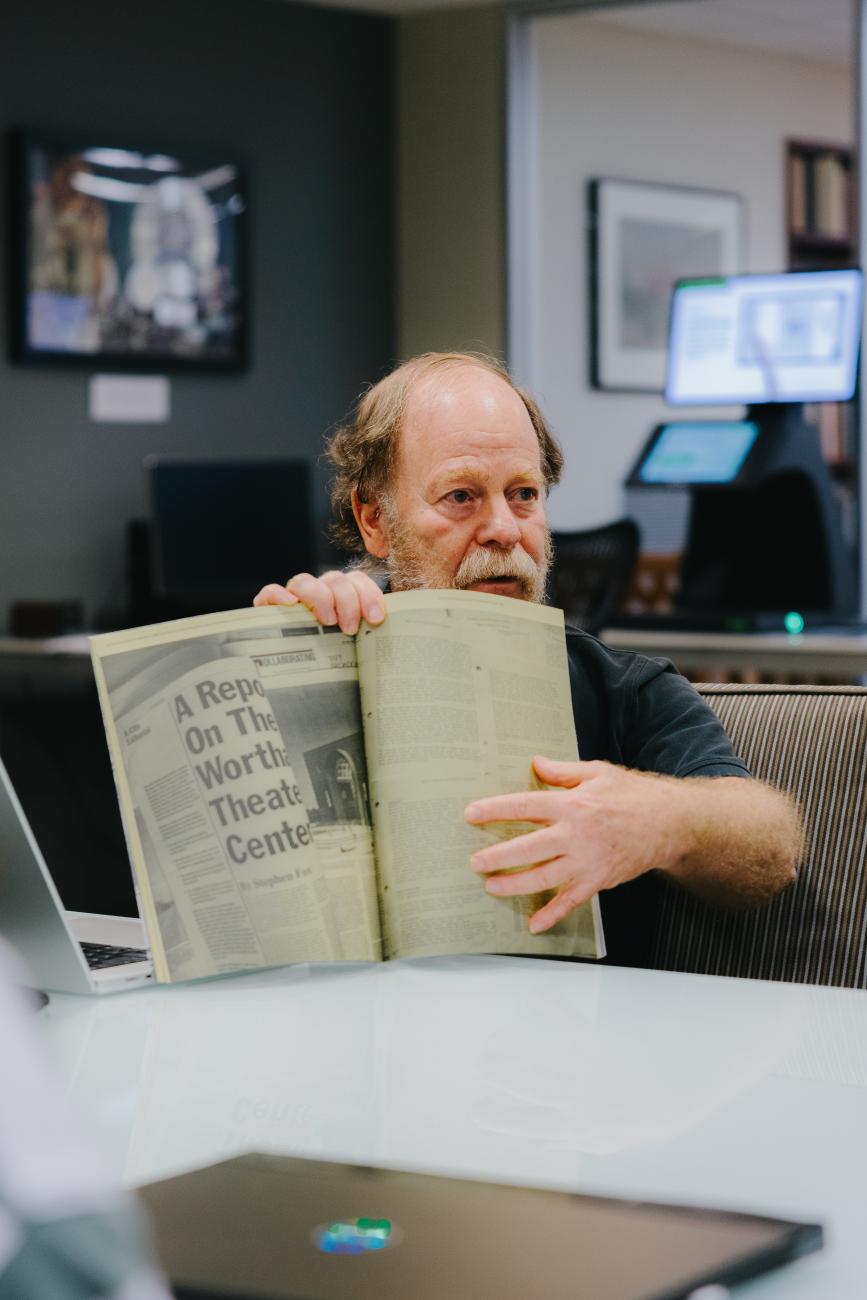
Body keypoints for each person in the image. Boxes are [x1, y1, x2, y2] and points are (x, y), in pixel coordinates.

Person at [254, 352, 799, 966]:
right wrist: (279, 655)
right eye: (461, 496)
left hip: (564, 1041)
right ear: (374, 520)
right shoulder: (330, 641)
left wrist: (658, 819)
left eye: (523, 495)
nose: (504, 529)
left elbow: (770, 843)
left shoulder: (626, 688)